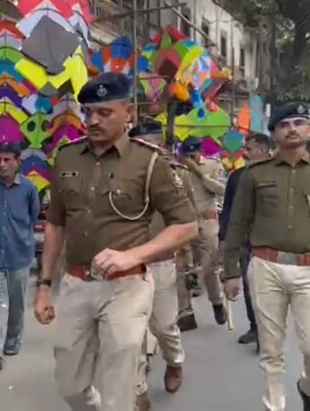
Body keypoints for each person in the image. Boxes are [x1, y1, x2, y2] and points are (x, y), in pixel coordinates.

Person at [33, 73, 198, 411]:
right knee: (71, 384)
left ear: (128, 114)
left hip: (127, 286)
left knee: (119, 379)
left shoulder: (149, 162)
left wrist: (133, 255)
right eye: (88, 112)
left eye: (104, 112)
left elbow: (186, 225)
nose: (93, 120)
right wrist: (44, 285)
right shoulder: (66, 157)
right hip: (76, 284)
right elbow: (55, 224)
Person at [223, 102, 310, 411]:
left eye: (298, 122)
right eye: (284, 124)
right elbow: (238, 223)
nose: (292, 128)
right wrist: (229, 272)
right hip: (266, 267)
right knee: (271, 351)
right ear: (274, 134)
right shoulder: (254, 174)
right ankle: (273, 406)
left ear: (309, 129)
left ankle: (309, 387)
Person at [128, 122, 193, 409]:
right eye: (140, 144)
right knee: (133, 332)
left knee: (164, 326)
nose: (147, 150)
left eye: (153, 144)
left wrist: (185, 255)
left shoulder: (177, 176)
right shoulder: (119, 175)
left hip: (162, 261)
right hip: (128, 264)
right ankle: (138, 388)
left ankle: (175, 361)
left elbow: (186, 220)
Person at [0, 142, 40, 373]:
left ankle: (12, 340)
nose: (2, 164)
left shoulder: (28, 188)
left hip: (19, 253)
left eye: (8, 160)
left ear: (18, 162)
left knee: (16, 304)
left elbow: (33, 216)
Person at [218, 132, 271, 350]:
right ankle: (255, 327)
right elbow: (228, 209)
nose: (245, 153)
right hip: (243, 240)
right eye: (245, 149)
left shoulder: (276, 175)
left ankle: (267, 329)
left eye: (249, 149)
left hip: (269, 241)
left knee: (267, 288)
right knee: (250, 286)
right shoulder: (237, 177)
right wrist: (223, 238)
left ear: (263, 150)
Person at [180, 136, 227, 324]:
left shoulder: (213, 166)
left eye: (194, 153)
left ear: (201, 151)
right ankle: (185, 313)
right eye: (187, 154)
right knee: (181, 268)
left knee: (209, 266)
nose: (191, 157)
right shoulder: (178, 169)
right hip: (184, 222)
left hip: (206, 223)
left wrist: (199, 173)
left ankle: (216, 302)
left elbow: (221, 189)